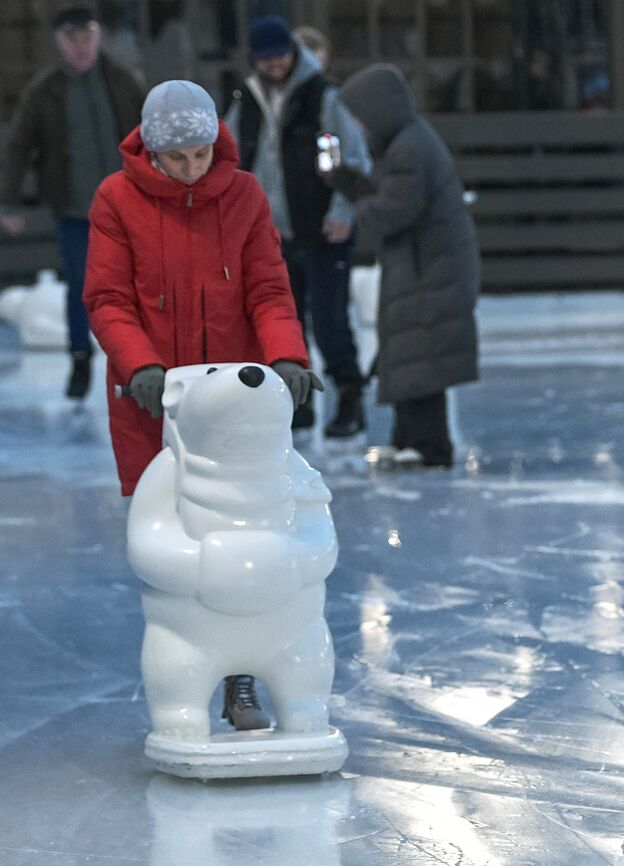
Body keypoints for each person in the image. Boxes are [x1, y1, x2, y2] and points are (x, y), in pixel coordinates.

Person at [84, 79, 321, 730]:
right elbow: (106, 299)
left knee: (243, 537)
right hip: (151, 400)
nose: (193, 167)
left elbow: (269, 289)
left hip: (229, 407)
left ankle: (240, 681)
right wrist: (142, 365)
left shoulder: (242, 196)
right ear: (152, 151)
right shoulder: (115, 199)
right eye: (178, 157)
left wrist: (287, 357)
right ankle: (185, 670)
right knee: (176, 545)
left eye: (201, 153)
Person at [323, 64, 479, 468]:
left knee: (420, 355)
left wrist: (360, 210)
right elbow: (387, 193)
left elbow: (395, 209)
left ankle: (429, 445)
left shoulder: (410, 147)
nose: (357, 125)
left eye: (360, 116)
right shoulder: (405, 142)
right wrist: (348, 181)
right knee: (407, 351)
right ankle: (409, 437)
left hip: (430, 267)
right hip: (422, 263)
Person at [225, 16, 372, 439]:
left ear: (292, 53)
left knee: (329, 320)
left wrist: (343, 212)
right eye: (266, 59)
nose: (274, 66)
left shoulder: (323, 97)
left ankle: (349, 396)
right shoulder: (247, 101)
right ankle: (297, 402)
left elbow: (352, 161)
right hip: (271, 237)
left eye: (281, 57)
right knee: (282, 324)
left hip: (322, 229)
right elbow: (231, 160)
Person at [0, 5, 144, 400]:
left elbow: (147, 134)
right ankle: (80, 358)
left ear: (98, 38)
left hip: (126, 205)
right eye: (71, 39)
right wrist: (8, 203)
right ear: (59, 43)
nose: (81, 47)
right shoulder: (43, 91)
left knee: (136, 283)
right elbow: (17, 148)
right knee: (82, 286)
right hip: (73, 209)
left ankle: (138, 361)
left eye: (87, 37)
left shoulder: (122, 81)